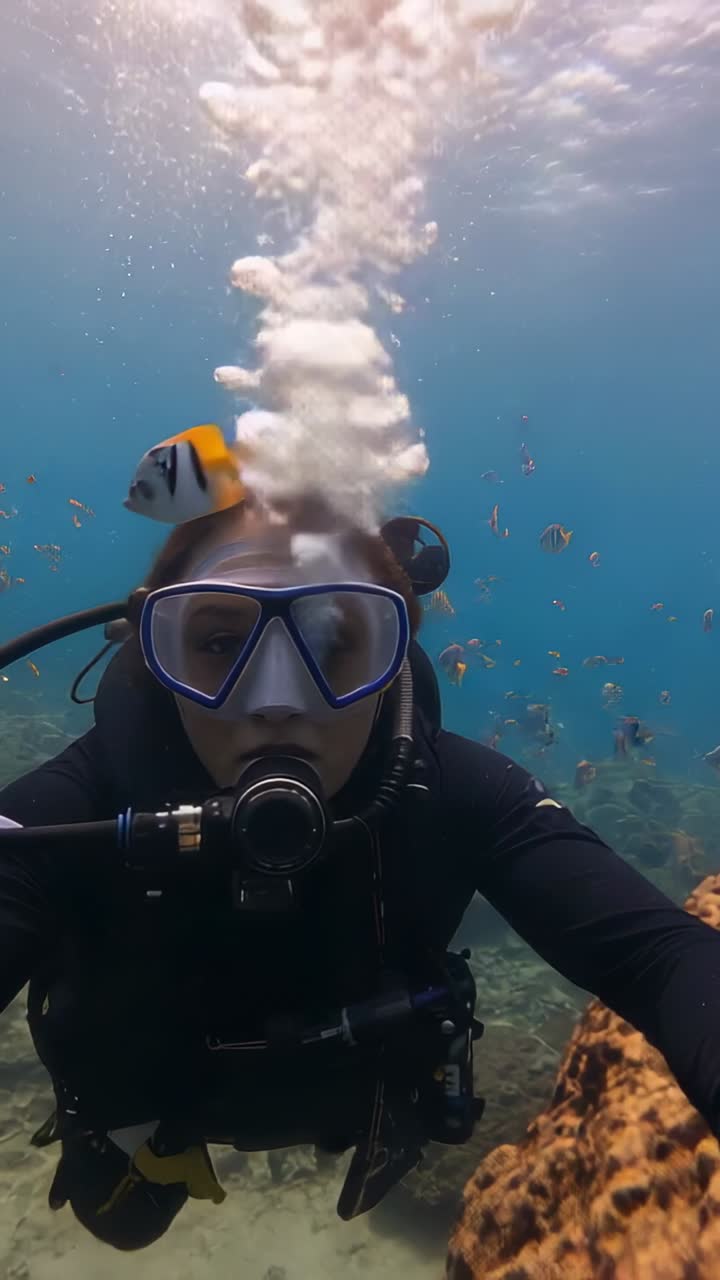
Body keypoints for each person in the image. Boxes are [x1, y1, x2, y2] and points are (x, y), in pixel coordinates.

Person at [2, 489, 720, 1253]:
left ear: (391, 654)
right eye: (216, 644)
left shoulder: (452, 788)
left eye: (334, 640)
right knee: (122, 1225)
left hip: (354, 1105)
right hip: (147, 1099)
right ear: (156, 652)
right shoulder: (78, 805)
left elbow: (661, 956)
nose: (276, 702)